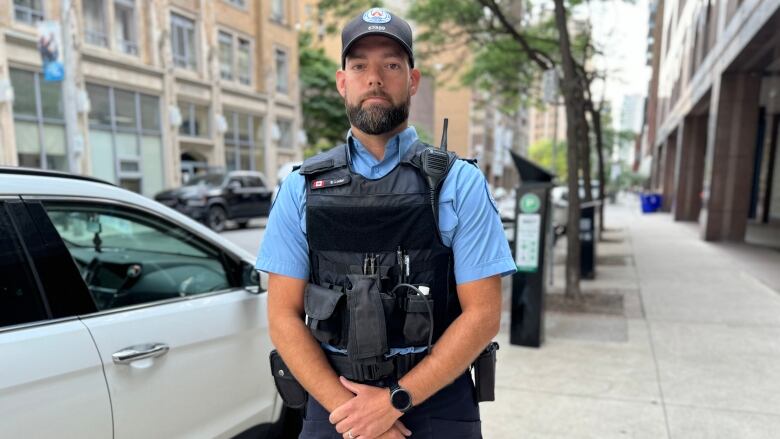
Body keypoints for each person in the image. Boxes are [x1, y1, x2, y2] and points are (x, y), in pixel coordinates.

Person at [257, 8, 515, 439]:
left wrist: (396, 400)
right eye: (360, 66)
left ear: (412, 80)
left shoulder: (458, 183)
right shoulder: (302, 188)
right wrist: (356, 414)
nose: (374, 78)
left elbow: (483, 314)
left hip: (435, 399)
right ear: (343, 82)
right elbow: (283, 315)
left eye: (391, 65)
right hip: (336, 402)